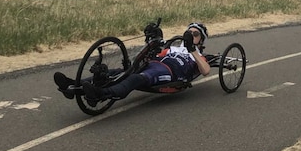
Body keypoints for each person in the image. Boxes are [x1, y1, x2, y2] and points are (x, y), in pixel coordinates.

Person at [56, 22, 212, 103]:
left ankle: (101, 94)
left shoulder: (198, 56)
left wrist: (192, 49)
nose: (191, 35)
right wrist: (154, 39)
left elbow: (205, 71)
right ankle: (74, 84)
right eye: (188, 32)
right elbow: (157, 52)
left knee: (137, 78)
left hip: (169, 72)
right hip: (154, 63)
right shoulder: (173, 47)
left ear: (201, 38)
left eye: (195, 34)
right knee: (120, 72)